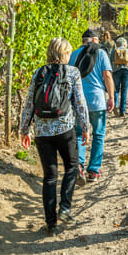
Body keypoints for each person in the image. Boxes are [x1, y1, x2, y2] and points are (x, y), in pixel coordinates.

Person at [20, 37, 90, 236]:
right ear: (64, 54)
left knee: (49, 177)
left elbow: (29, 104)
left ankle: (51, 224)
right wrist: (86, 127)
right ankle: (65, 208)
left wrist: (24, 130)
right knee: (72, 166)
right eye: (68, 52)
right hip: (65, 130)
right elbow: (80, 103)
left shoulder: (39, 72)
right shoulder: (72, 72)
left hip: (42, 133)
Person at [69, 29, 115, 183]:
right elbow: (107, 75)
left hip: (78, 101)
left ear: (83, 41)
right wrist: (111, 97)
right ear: (95, 40)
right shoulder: (101, 53)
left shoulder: (74, 54)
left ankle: (79, 166)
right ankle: (94, 171)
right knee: (98, 135)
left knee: (79, 132)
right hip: (97, 101)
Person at [110, 37, 128, 117]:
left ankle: (116, 105)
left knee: (116, 89)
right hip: (127, 70)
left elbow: (109, 61)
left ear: (117, 45)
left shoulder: (113, 51)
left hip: (116, 71)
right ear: (125, 45)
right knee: (124, 90)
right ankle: (123, 110)